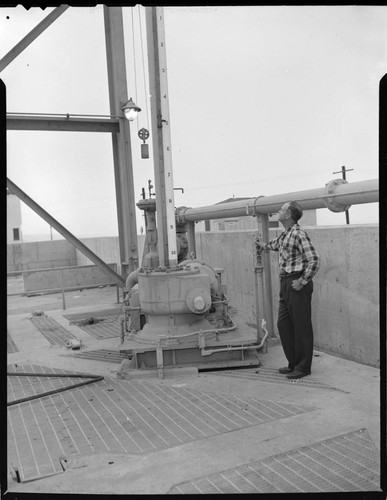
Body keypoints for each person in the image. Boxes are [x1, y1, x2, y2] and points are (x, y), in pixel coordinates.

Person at [256, 201, 320, 379]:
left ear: (289, 215)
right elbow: (274, 245)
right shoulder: (286, 235)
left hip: (297, 283)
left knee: (301, 327)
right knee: (283, 325)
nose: (278, 211)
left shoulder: (299, 234)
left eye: (282, 209)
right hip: (285, 284)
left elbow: (314, 260)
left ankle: (303, 367)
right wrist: (261, 244)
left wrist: (302, 281)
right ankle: (293, 363)